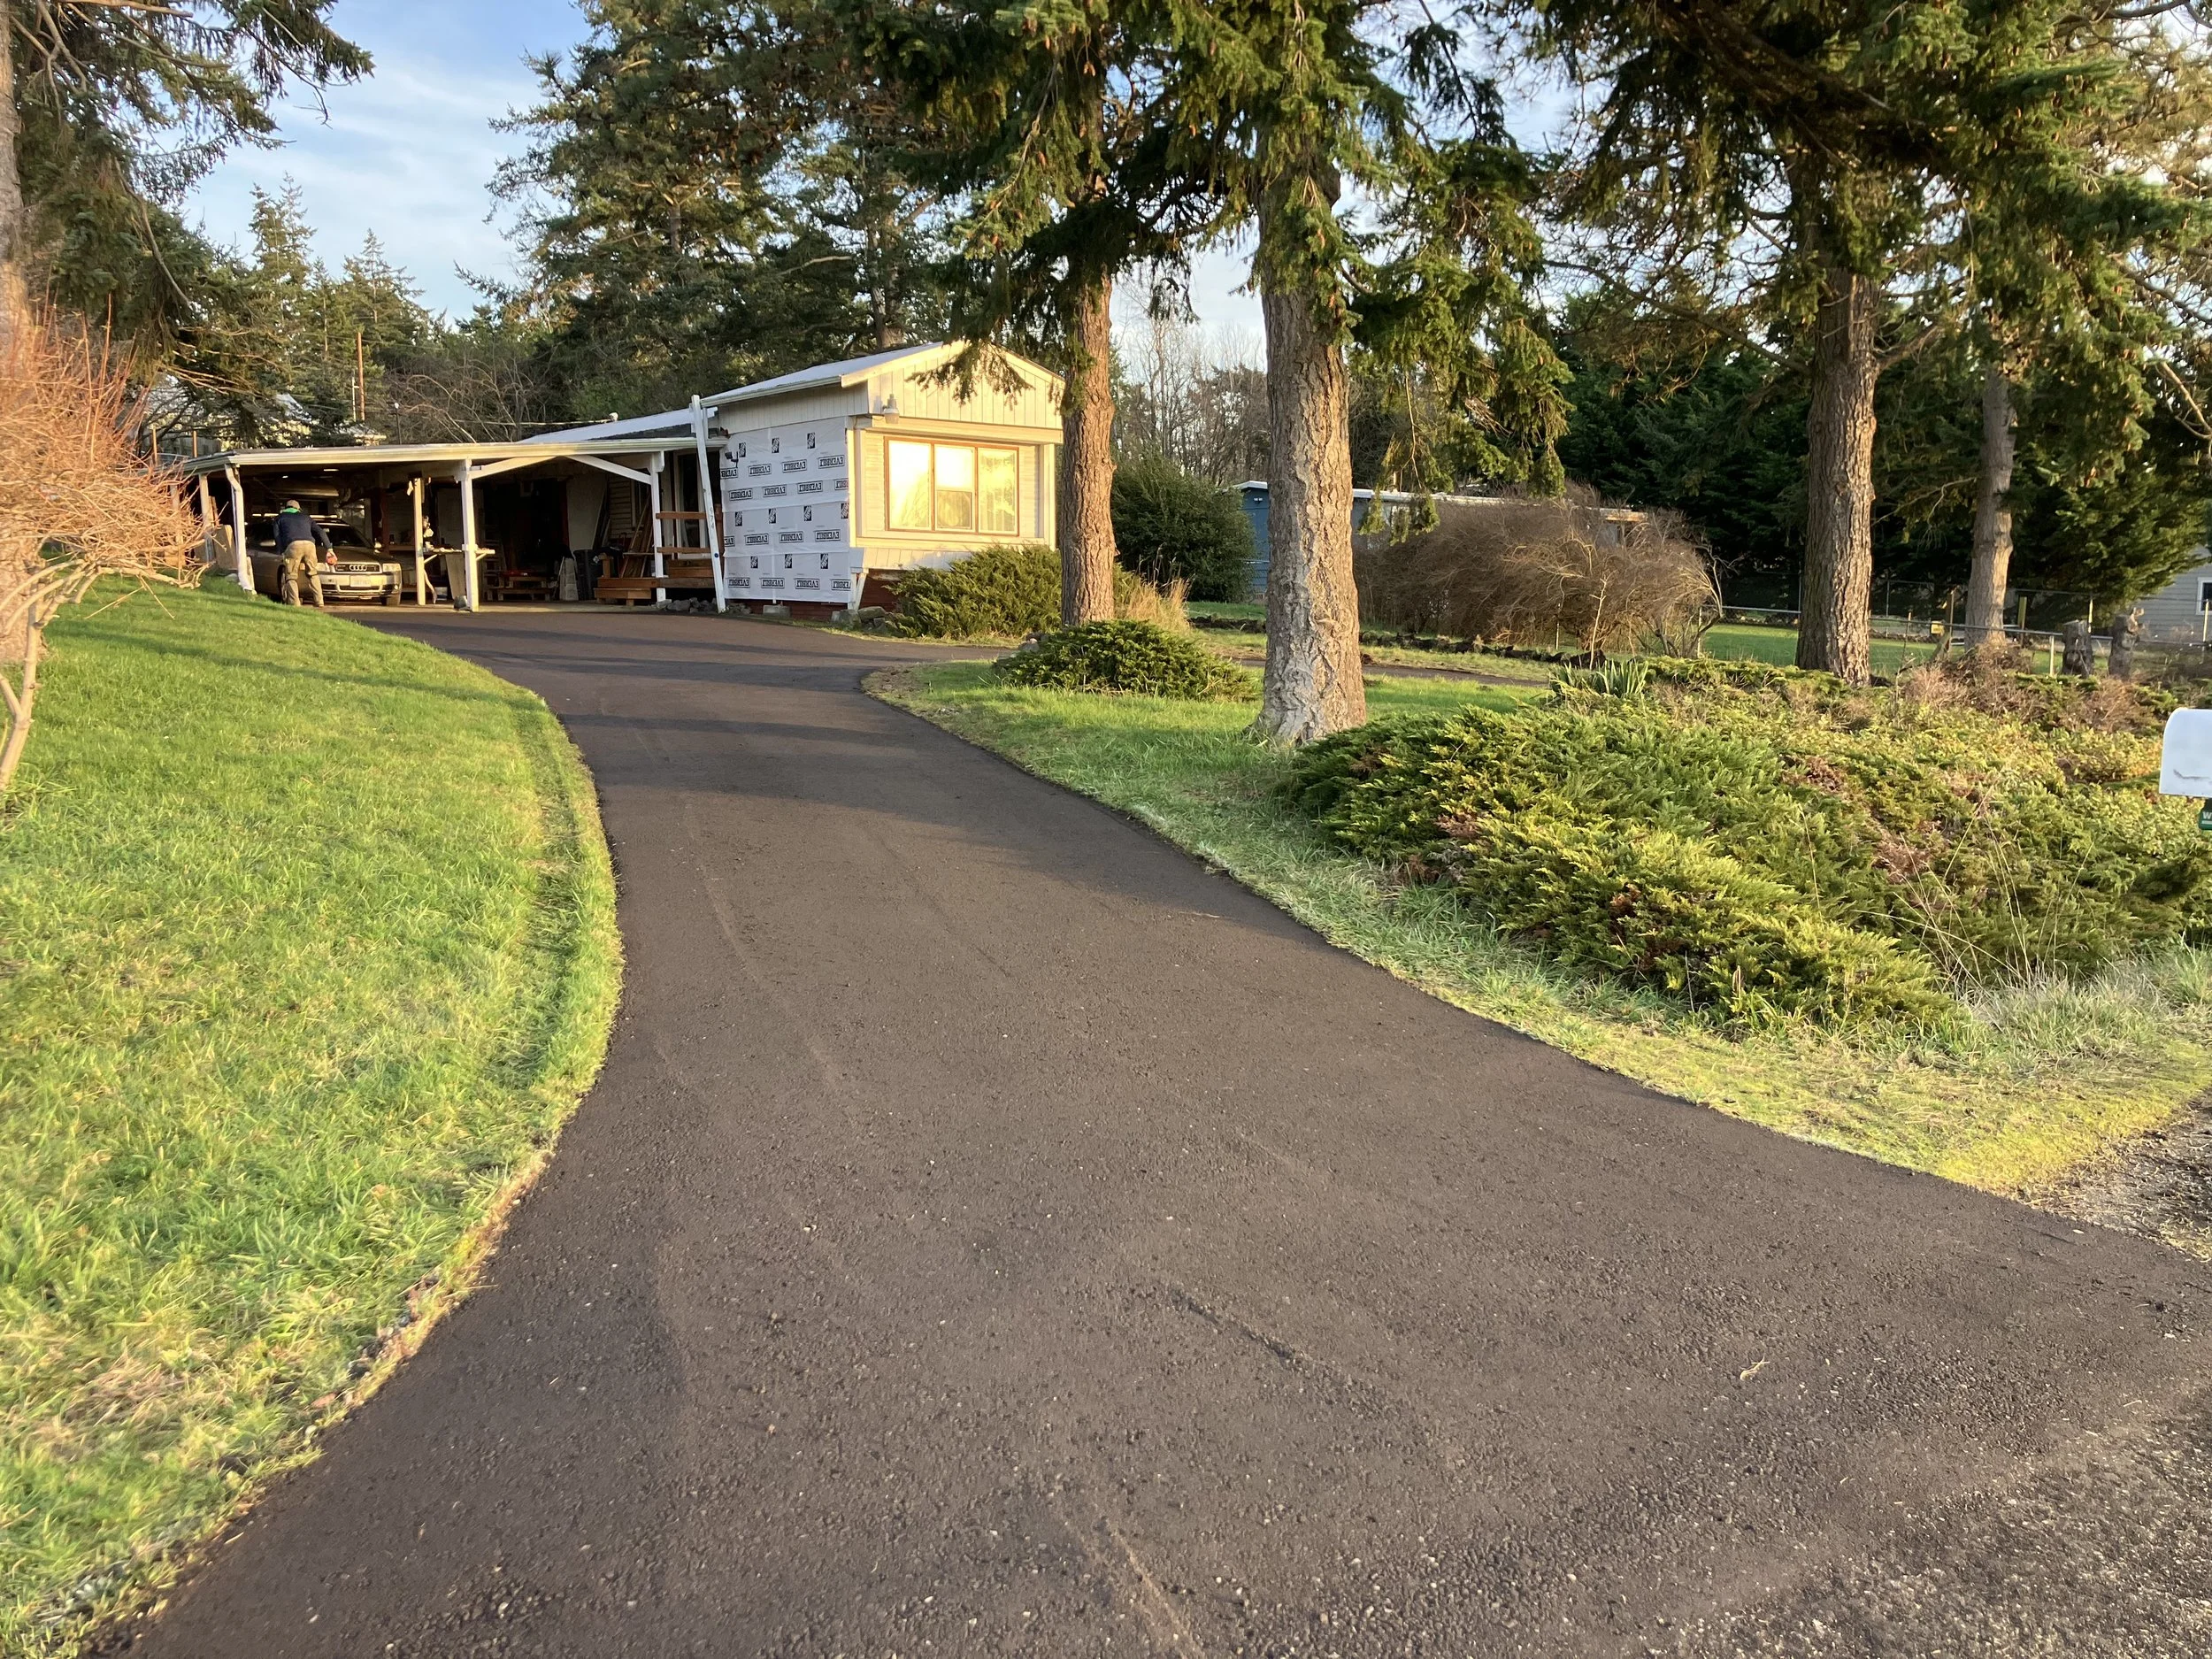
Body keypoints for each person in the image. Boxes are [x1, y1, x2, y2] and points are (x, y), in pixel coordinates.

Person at [272, 498, 331, 606]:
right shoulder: (306, 518)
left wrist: (282, 552)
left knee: (291, 576)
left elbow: (277, 537)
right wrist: (329, 548)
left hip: (293, 545)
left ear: (286, 508)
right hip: (310, 545)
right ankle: (319, 601)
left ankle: (295, 603)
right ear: (298, 509)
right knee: (313, 573)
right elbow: (320, 531)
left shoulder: (279, 518)